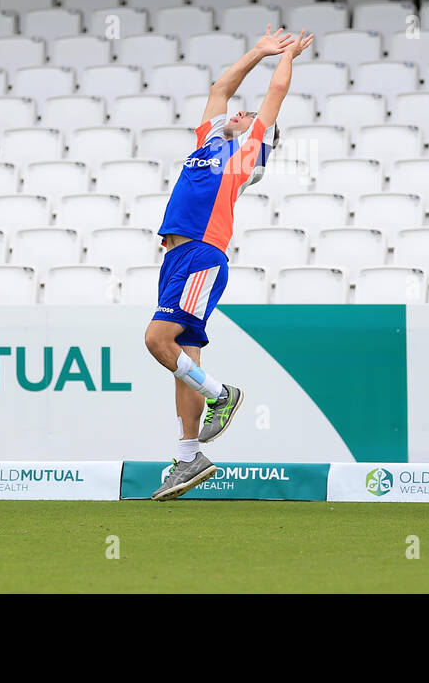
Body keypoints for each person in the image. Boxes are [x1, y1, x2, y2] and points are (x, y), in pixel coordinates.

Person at [143, 25, 313, 501]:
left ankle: (223, 394)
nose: (238, 113)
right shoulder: (206, 145)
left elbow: (276, 92)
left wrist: (286, 57)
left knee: (157, 340)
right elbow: (221, 88)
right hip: (176, 257)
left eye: (249, 116)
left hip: (201, 254)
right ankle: (187, 457)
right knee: (185, 362)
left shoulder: (244, 157)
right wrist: (258, 50)